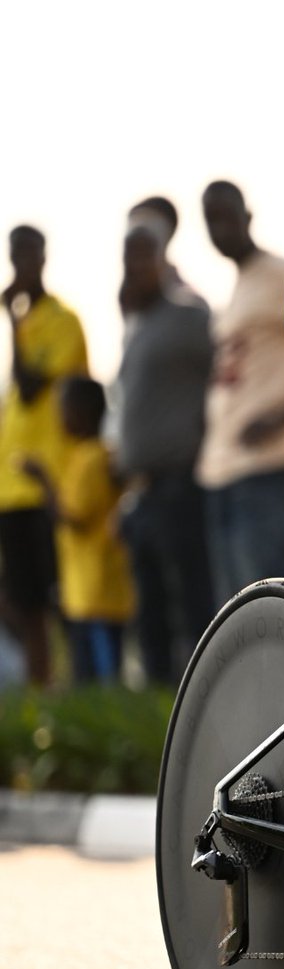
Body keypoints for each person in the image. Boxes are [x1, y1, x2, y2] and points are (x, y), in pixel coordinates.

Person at [197, 181, 284, 605]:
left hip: (267, 462)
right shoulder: (237, 288)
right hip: (222, 466)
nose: (219, 229)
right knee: (235, 612)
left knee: (273, 602)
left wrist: (282, 416)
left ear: (246, 216)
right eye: (210, 220)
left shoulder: (282, 273)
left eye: (225, 216)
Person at [115, 223, 216, 686]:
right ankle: (158, 701)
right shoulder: (137, 325)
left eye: (143, 256)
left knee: (189, 601)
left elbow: (219, 376)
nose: (133, 267)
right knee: (150, 607)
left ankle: (197, 696)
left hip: (180, 482)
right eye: (127, 257)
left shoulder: (189, 316)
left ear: (162, 261)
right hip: (141, 490)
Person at [0, 226, 88, 685]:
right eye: (15, 255)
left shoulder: (62, 320)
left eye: (29, 254)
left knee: (59, 597)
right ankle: (43, 691)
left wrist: (11, 321)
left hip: (50, 483)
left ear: (43, 257)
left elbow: (32, 386)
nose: (22, 264)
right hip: (12, 491)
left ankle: (79, 686)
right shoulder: (27, 320)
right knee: (26, 601)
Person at [20, 376, 134, 683]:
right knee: (87, 673)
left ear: (82, 411)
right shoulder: (86, 456)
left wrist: (43, 480)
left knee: (103, 675)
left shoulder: (92, 459)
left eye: (63, 408)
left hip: (97, 589)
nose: (59, 416)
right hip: (87, 589)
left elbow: (73, 517)